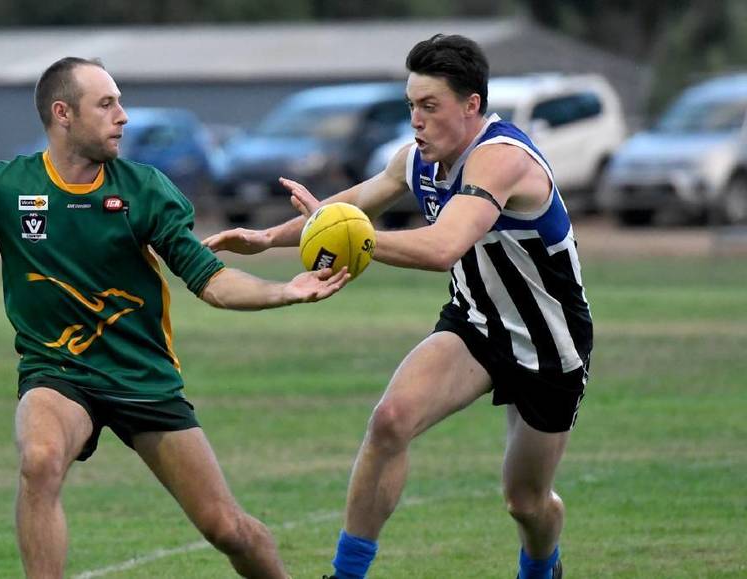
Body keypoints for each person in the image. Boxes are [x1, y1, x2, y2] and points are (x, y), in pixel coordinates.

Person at [0, 56, 350, 578]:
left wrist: (285, 291)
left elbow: (212, 281)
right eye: (106, 104)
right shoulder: (5, 188)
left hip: (141, 376)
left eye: (120, 102)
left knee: (227, 529)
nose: (123, 115)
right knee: (39, 460)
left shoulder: (145, 190)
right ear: (63, 114)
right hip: (57, 373)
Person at [205, 34, 591, 579]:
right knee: (390, 420)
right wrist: (269, 237)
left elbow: (441, 247)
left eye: (430, 107)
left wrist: (351, 239)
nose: (417, 120)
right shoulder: (417, 162)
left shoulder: (502, 161)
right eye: (412, 105)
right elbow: (350, 206)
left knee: (526, 502)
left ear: (471, 105)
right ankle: (346, 575)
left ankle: (541, 566)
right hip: (476, 326)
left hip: (548, 344)